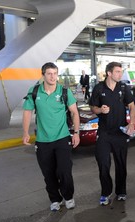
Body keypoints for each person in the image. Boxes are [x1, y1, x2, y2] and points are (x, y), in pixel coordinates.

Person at [22, 62, 80, 211]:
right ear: (43, 75)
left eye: (55, 73)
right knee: (48, 173)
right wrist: (25, 132)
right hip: (42, 141)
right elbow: (27, 112)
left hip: (62, 138)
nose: (53, 77)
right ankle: (55, 199)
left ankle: (68, 197)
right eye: (49, 73)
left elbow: (74, 112)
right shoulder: (34, 92)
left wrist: (76, 133)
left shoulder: (64, 92)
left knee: (64, 171)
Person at [89, 62, 135, 206]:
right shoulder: (99, 88)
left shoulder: (123, 87)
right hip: (104, 133)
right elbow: (93, 107)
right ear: (109, 73)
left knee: (121, 164)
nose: (120, 74)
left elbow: (132, 106)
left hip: (120, 133)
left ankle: (121, 191)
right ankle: (105, 192)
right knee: (103, 163)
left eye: (121, 72)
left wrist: (132, 123)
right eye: (117, 72)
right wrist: (100, 110)